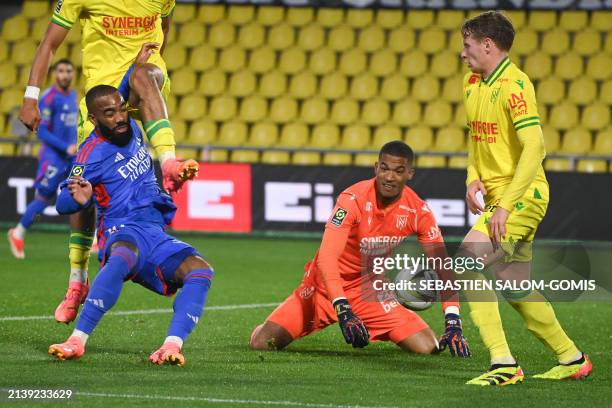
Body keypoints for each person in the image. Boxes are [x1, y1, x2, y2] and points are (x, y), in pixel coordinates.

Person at [18, 0, 198, 324]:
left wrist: (153, 69)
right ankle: (77, 279)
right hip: (103, 98)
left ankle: (169, 162)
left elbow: (165, 27)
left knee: (145, 73)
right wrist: (31, 96)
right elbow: (49, 42)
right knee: (83, 186)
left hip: (141, 80)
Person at [459, 11, 592, 385]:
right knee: (514, 284)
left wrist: (504, 206)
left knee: (468, 263)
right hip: (499, 196)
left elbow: (536, 148)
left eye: (467, 46)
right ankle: (571, 357)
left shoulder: (516, 85)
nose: (462, 54)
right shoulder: (470, 82)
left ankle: (503, 363)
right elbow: (477, 139)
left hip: (523, 194)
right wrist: (473, 178)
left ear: (488, 45)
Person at [249, 141, 470, 357]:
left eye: (398, 171)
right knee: (262, 343)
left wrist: (453, 321)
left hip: (369, 290)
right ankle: (267, 325)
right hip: (323, 288)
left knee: (428, 346)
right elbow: (327, 257)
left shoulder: (418, 211)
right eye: (384, 169)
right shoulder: (351, 199)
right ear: (376, 168)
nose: (389, 176)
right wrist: (342, 307)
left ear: (410, 174)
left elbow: (442, 265)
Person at [48, 85, 212, 366]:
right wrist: (80, 199)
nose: (120, 117)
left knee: (201, 270)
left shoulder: (131, 127)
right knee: (123, 254)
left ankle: (171, 346)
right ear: (93, 120)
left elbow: (129, 83)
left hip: (155, 233)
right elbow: (63, 201)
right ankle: (76, 340)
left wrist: (141, 61)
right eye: (109, 113)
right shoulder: (91, 155)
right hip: (121, 230)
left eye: (121, 108)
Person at [8, 59, 77, 259]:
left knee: (85, 191)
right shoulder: (48, 98)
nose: (65, 75)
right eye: (61, 71)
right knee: (44, 197)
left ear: (73, 74)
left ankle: (94, 240)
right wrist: (66, 147)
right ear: (55, 73)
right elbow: (42, 131)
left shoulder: (72, 95)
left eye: (68, 71)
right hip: (54, 158)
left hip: (72, 157)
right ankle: (18, 233)